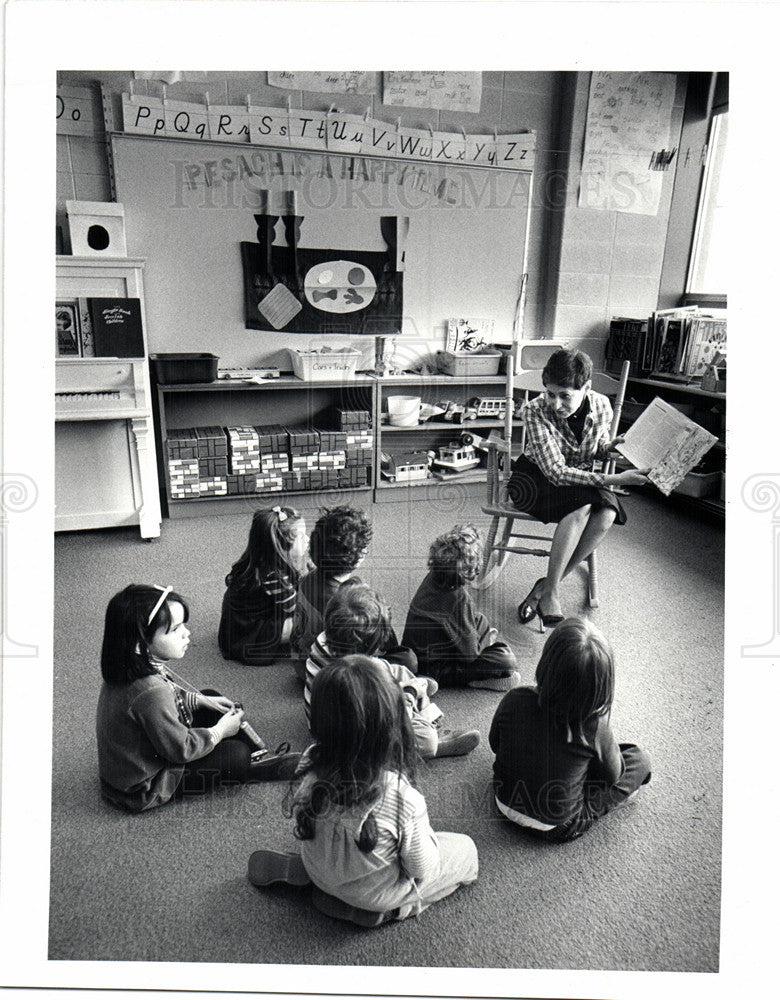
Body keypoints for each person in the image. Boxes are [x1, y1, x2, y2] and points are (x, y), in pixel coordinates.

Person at [247, 656, 479, 925]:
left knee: (344, 836)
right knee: (465, 850)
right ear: (391, 726)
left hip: (319, 867)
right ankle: (390, 910)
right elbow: (421, 869)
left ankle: (322, 879)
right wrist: (428, 838)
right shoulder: (402, 798)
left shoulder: (310, 758)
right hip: (375, 892)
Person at [96, 584, 301, 812]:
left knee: (210, 697)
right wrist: (220, 731)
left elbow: (169, 696)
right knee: (236, 755)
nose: (187, 632)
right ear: (139, 644)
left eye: (184, 624)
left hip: (128, 768)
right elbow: (180, 750)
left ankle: (253, 752)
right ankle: (253, 764)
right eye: (174, 629)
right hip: (141, 788)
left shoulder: (131, 665)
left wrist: (200, 701)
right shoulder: (151, 692)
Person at [507, 348, 649, 627]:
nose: (555, 403)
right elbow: (557, 472)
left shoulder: (602, 407)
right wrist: (618, 481)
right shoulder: (535, 411)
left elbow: (593, 450)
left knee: (607, 513)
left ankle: (547, 585)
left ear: (586, 388)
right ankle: (551, 593)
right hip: (534, 480)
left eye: (565, 395)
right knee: (583, 505)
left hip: (577, 479)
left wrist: (609, 449)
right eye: (550, 393)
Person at [489, 617, 651, 842]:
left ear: (546, 663)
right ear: (601, 687)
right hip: (558, 825)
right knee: (639, 759)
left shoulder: (515, 697)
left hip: (502, 800)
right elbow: (612, 777)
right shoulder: (595, 726)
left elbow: (495, 744)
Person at [305, 584, 479, 758]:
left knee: (398, 670)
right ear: (371, 649)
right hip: (354, 741)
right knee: (426, 739)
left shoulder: (320, 643)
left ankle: (418, 693)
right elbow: (391, 714)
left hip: (323, 721)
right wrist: (409, 693)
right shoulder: (366, 675)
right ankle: (433, 731)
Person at [402, 524, 521, 692]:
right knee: (506, 660)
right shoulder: (458, 600)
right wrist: (477, 645)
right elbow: (470, 655)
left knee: (480, 619)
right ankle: (475, 680)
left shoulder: (434, 577)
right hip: (434, 669)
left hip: (423, 650)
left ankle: (484, 642)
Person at [218, 506, 309, 665]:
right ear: (282, 547)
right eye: (301, 537)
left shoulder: (263, 562)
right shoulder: (273, 576)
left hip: (237, 626)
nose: (307, 539)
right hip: (249, 637)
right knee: (308, 620)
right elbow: (296, 608)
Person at [290, 505, 372, 661]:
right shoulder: (342, 604)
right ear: (360, 556)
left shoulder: (308, 577)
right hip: (321, 670)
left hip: (299, 657)